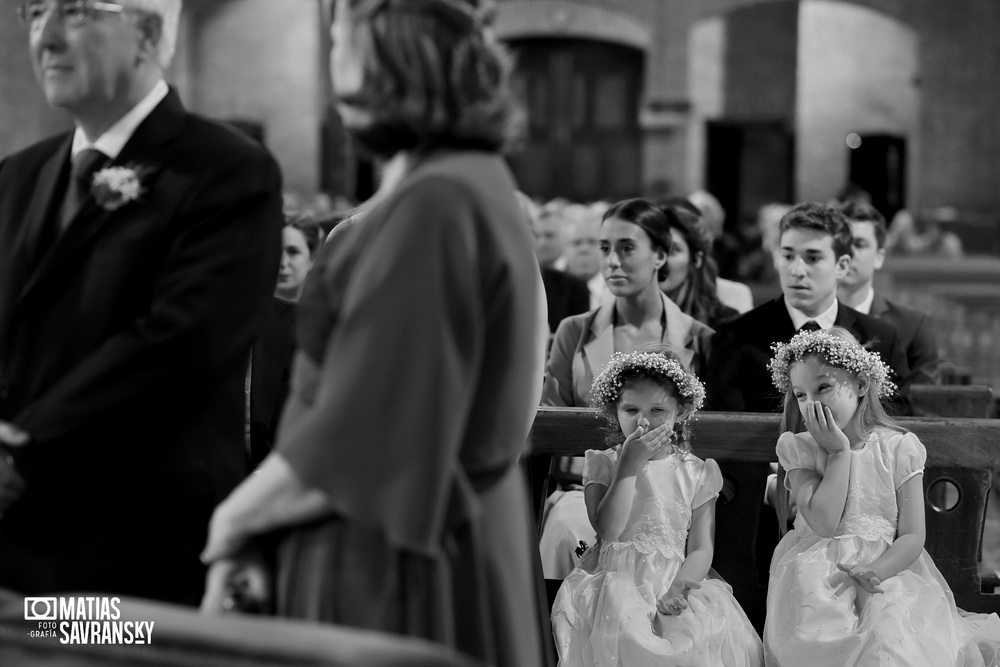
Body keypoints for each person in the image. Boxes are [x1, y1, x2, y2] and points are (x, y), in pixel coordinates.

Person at [199, 2, 548, 666]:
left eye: (340, 43)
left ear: (389, 57)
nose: (334, 68)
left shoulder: (438, 202)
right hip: (414, 521)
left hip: (398, 545)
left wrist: (234, 521)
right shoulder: (457, 187)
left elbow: (369, 424)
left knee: (62, 627)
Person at [0, 0, 283, 604]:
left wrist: (22, 454)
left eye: (72, 12)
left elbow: (178, 346)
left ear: (147, 33)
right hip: (15, 546)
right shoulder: (14, 179)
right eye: (34, 11)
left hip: (134, 546)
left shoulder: (227, 171)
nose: (44, 38)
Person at [763, 327, 1000, 666]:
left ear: (860, 385)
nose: (811, 403)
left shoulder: (898, 448)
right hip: (819, 580)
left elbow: (913, 536)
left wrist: (876, 571)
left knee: (891, 636)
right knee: (819, 638)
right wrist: (838, 453)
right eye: (800, 395)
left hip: (886, 572)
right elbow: (825, 523)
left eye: (823, 387)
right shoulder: (798, 448)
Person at [551, 348, 764, 666]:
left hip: (675, 578)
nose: (643, 421)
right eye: (631, 409)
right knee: (624, 632)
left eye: (658, 410)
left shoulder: (697, 472)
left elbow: (702, 549)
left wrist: (680, 587)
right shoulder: (604, 464)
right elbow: (609, 529)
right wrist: (628, 466)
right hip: (615, 578)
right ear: (615, 409)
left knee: (702, 636)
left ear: (681, 410)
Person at [539, 197, 714, 579]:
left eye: (627, 248)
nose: (612, 261)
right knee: (570, 528)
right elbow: (551, 420)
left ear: (660, 256)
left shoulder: (699, 338)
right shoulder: (575, 330)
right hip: (584, 488)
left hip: (670, 495)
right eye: (605, 248)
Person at [707, 202, 912, 415]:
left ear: (841, 266)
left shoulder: (882, 339)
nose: (797, 270)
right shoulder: (736, 336)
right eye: (788, 256)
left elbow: (894, 426)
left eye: (812, 258)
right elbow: (724, 431)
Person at [837, 199, 941, 385]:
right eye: (842, 243)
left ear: (879, 257)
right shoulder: (807, 320)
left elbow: (926, 408)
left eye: (859, 244)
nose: (849, 253)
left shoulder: (913, 326)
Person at [248, 214, 323, 468]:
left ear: (312, 258)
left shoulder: (322, 324)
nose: (282, 263)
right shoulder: (247, 320)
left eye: (292, 252)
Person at [658, 200, 740, 329]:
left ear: (696, 259)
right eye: (656, 250)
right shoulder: (631, 318)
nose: (662, 260)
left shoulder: (725, 321)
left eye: (673, 250)